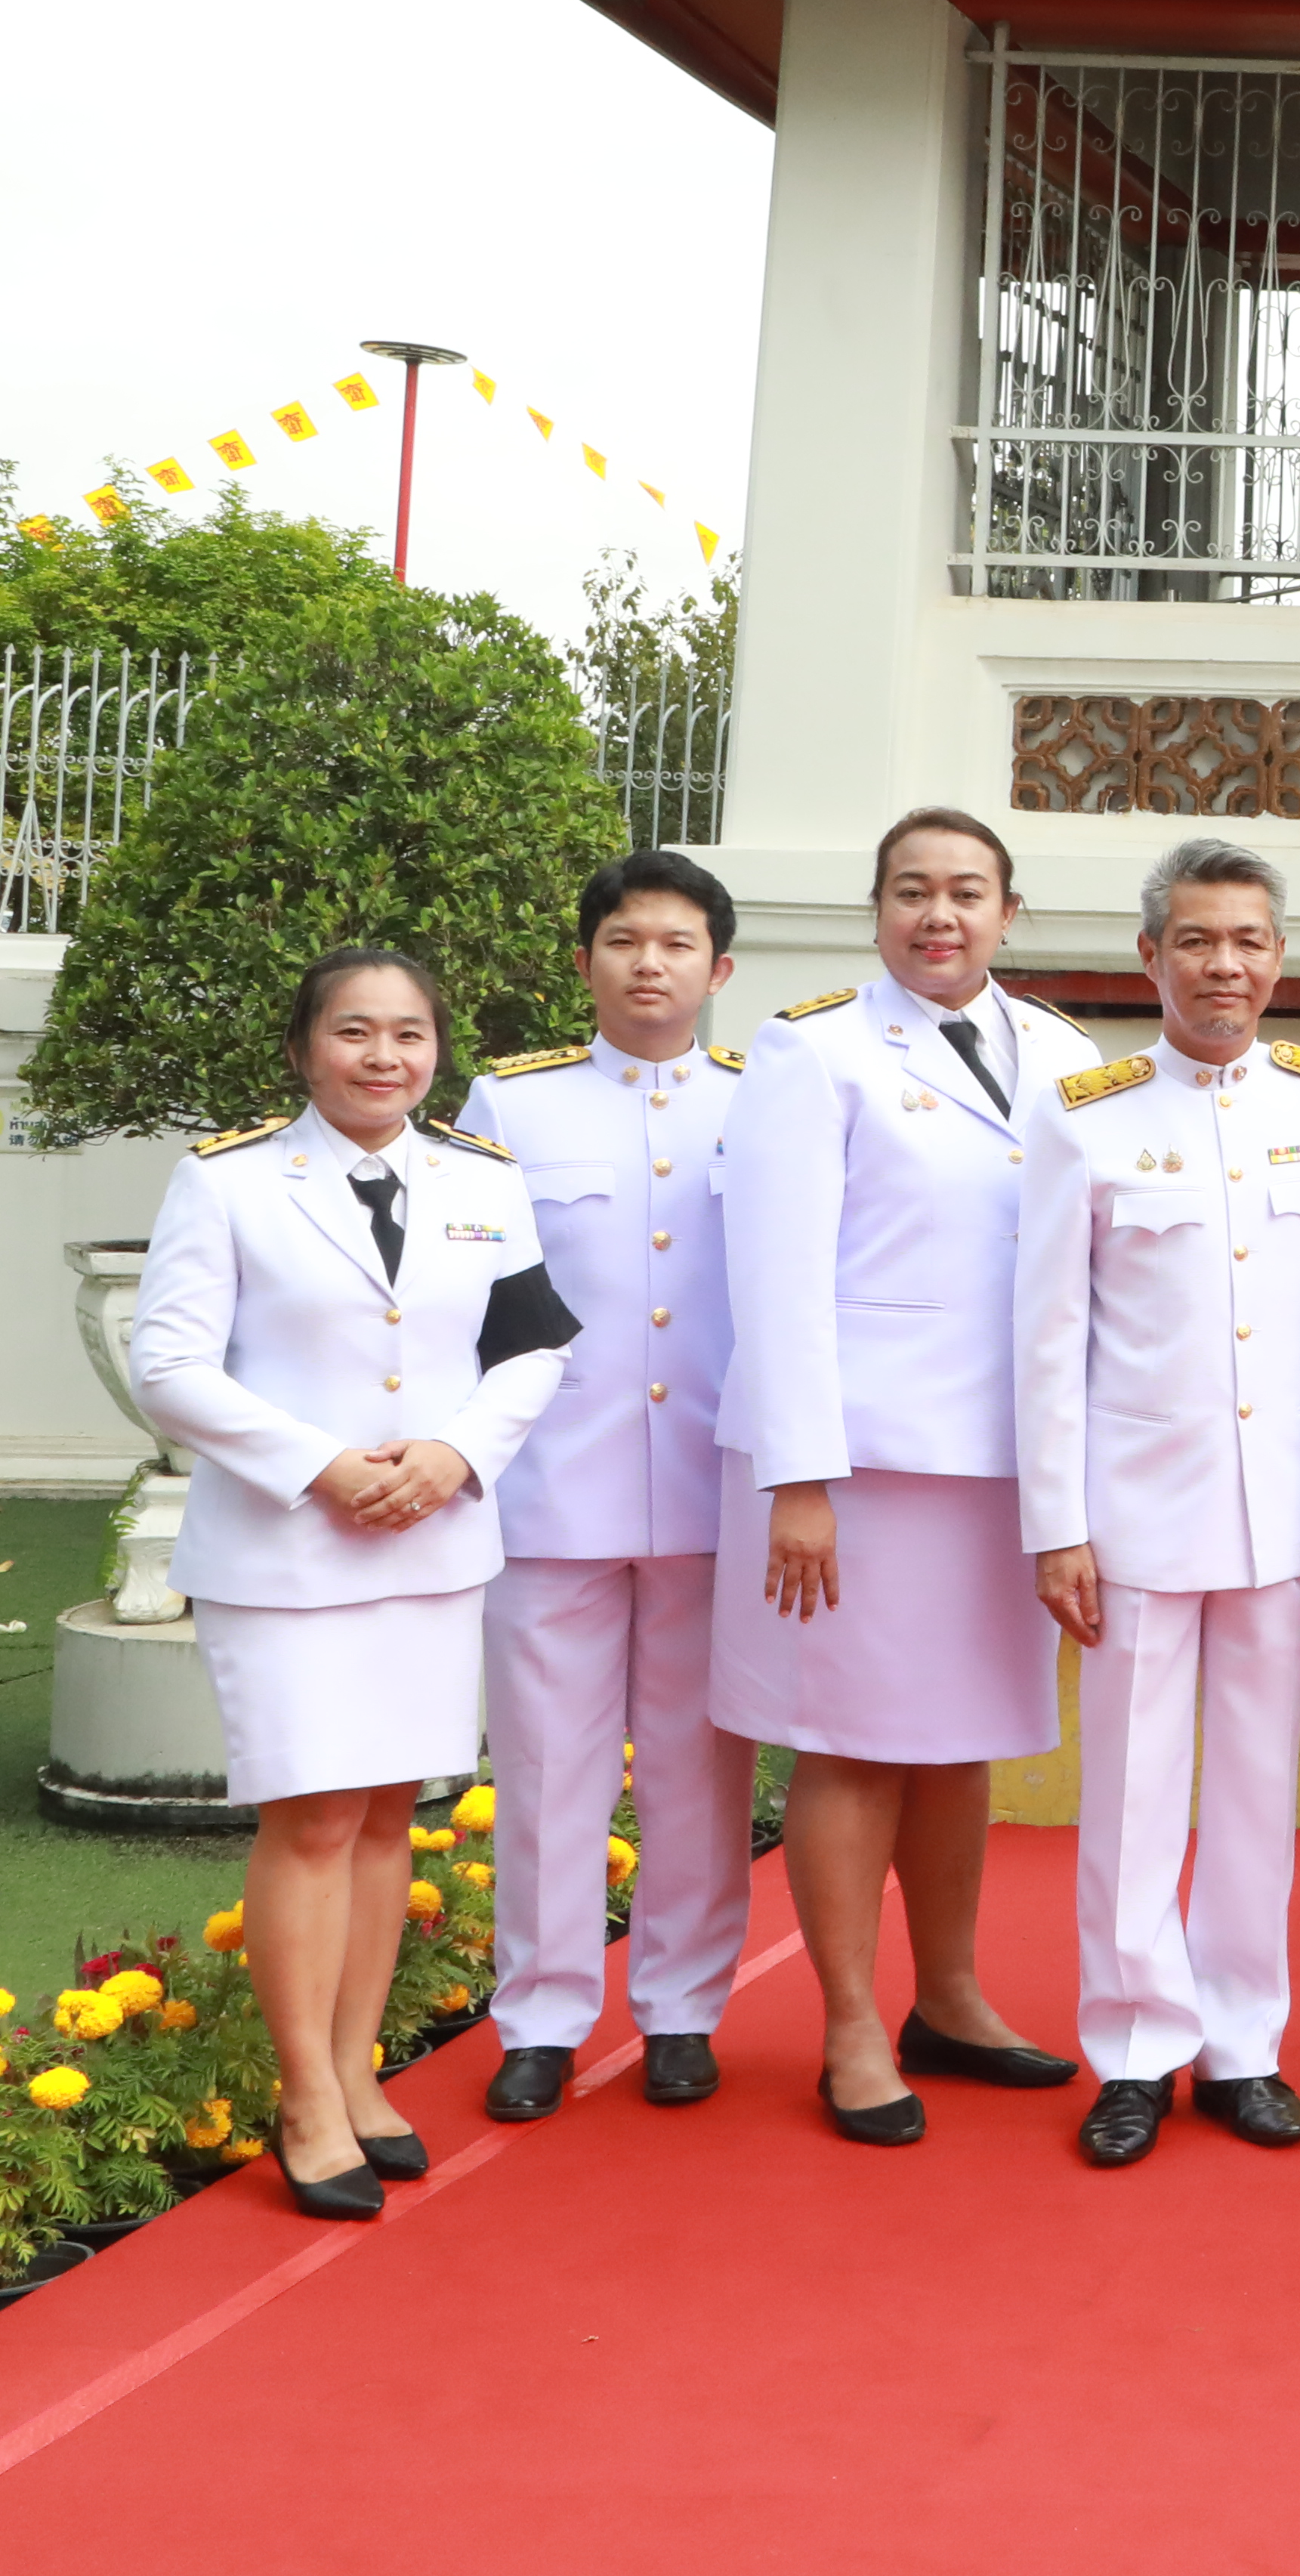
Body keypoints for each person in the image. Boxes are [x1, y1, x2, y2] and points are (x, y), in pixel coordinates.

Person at [132, 948, 578, 2216]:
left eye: (409, 1035)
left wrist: (455, 1453)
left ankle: (356, 2062)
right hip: (287, 1552)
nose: (383, 1057)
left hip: (432, 1543)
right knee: (316, 1817)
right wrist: (321, 1465)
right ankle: (305, 2095)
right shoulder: (227, 1182)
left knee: (391, 1812)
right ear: (303, 1049)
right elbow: (169, 1363)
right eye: (353, 1033)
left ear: (437, 1050)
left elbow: (532, 1345)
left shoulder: (480, 1181)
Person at [719, 806, 1092, 2145]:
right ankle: (851, 2026)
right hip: (860, 1465)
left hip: (1002, 1464)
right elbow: (776, 1275)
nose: (941, 916)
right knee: (854, 1742)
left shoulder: (1062, 1051)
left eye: (968, 893)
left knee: (957, 1744)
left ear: (1009, 910)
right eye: (913, 893)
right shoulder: (810, 1050)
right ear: (874, 910)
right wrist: (799, 1475)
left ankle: (951, 1997)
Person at [1016, 839, 1300, 2167]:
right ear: (1151, 954)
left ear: (1280, 957)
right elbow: (1047, 1335)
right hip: (1136, 1511)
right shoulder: (1089, 1115)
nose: (1227, 966)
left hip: (1280, 1509)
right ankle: (1134, 2046)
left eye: (1251, 941)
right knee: (1132, 1793)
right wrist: (1058, 1519)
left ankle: (1245, 2045)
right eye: (1200, 941)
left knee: (1263, 1790)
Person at [455, 850, 761, 2123]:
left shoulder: (761, 1105)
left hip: (707, 1488)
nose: (650, 964)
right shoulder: (511, 1105)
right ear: (582, 961)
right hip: (552, 1491)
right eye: (625, 940)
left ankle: (685, 2010)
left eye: (677, 944)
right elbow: (467, 1297)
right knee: (543, 1767)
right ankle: (539, 2018)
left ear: (719, 970)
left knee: (700, 1767)